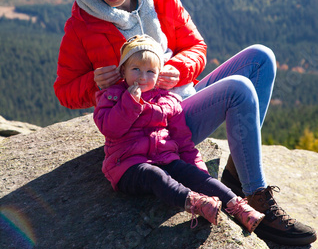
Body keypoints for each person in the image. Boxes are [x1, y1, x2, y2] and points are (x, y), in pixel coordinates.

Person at [54, 0, 317, 246]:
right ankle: (254, 197)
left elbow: (197, 48)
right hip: (152, 127)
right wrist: (94, 84)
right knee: (238, 89)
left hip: (180, 97)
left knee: (260, 58)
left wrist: (178, 68)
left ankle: (238, 173)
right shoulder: (82, 24)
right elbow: (64, 90)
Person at [94, 34, 265, 232]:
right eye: (135, 69)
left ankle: (238, 206)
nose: (142, 77)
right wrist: (129, 103)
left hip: (165, 157)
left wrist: (199, 175)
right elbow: (110, 129)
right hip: (127, 165)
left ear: (159, 75)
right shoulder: (113, 96)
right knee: (154, 176)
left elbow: (183, 142)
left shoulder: (168, 101)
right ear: (123, 70)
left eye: (150, 71)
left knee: (194, 175)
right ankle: (195, 203)